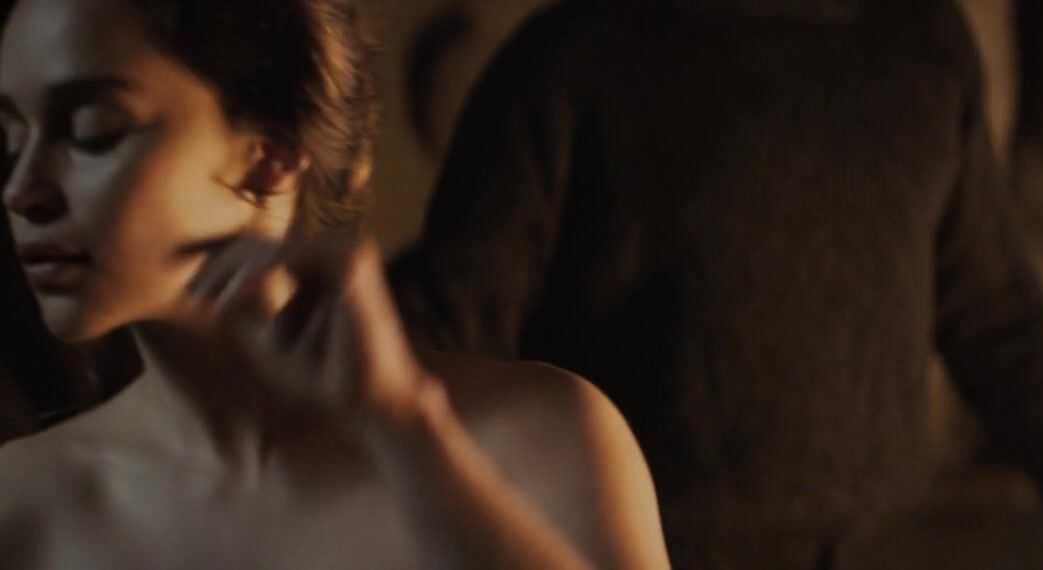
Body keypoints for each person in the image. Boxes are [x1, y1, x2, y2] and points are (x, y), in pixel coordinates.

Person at [388, 0, 1043, 567]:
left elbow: (994, 318)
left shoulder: (920, 45)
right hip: (634, 550)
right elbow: (450, 325)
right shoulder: (576, 59)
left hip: (870, 547)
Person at [0, 0, 670, 567]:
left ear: (269, 156)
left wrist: (406, 431)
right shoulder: (25, 504)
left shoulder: (541, 435)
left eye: (92, 131)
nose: (22, 190)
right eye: (9, 139)